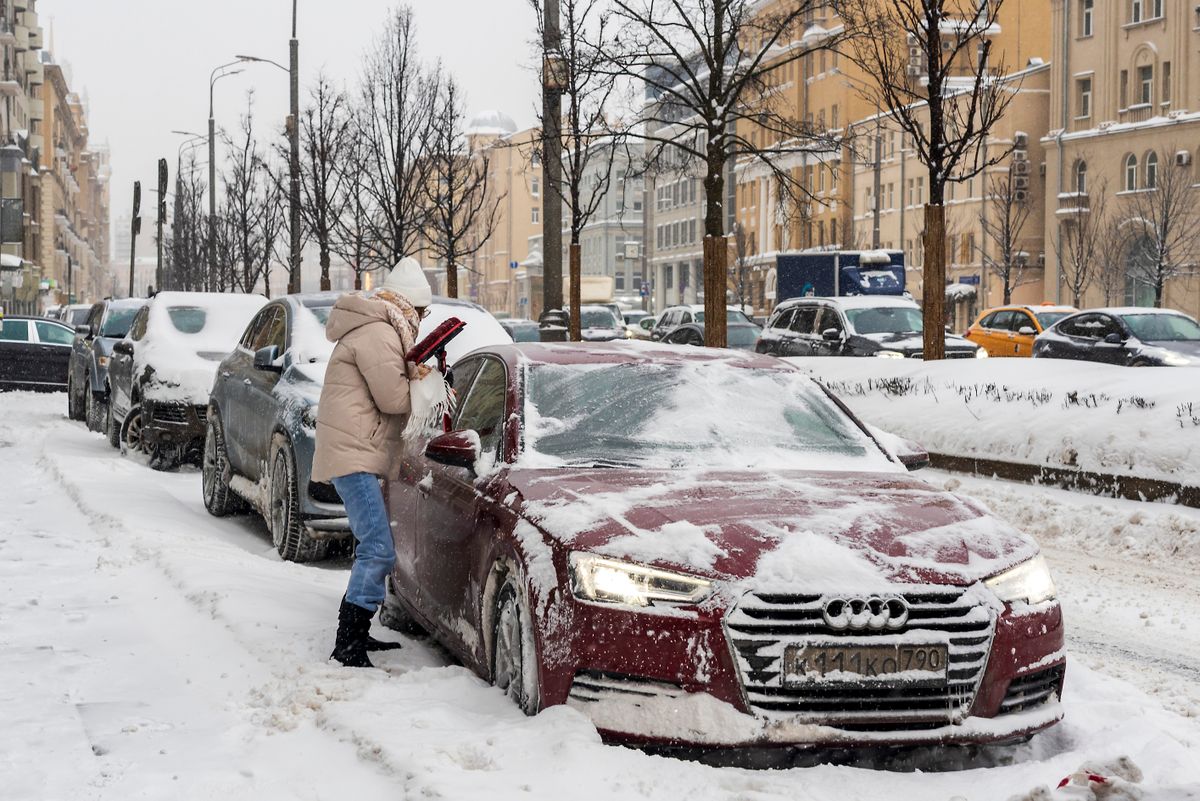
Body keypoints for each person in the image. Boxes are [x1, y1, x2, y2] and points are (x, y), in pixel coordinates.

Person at [312, 256, 440, 668]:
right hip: (353, 453)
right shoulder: (380, 332)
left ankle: (357, 633)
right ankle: (348, 642)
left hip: (357, 450)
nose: (422, 319)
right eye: (422, 311)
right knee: (379, 549)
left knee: (373, 546)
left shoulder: (379, 327)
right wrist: (426, 383)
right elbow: (394, 398)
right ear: (409, 305)